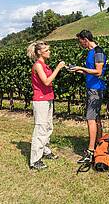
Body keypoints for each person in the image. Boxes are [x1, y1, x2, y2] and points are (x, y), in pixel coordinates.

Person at [27, 41, 65, 170]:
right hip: (41, 100)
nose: (49, 52)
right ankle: (35, 160)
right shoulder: (38, 65)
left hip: (48, 98)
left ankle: (45, 150)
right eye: (47, 50)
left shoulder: (45, 65)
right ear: (39, 52)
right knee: (40, 128)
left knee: (48, 126)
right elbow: (47, 82)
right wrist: (58, 68)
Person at [70, 30, 107, 164]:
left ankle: (90, 151)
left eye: (80, 41)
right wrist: (78, 70)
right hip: (92, 88)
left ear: (85, 39)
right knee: (95, 118)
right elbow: (91, 72)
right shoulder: (91, 53)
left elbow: (98, 72)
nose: (80, 44)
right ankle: (99, 145)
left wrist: (82, 67)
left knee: (90, 119)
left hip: (96, 90)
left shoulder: (98, 52)